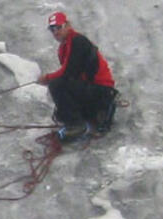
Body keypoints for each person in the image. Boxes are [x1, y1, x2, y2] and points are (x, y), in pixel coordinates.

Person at [37, 12, 118, 141]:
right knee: (61, 102)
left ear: (68, 25)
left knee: (57, 84)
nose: (56, 32)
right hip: (93, 89)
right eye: (53, 29)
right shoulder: (65, 47)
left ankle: (76, 125)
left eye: (59, 27)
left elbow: (69, 72)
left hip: (101, 90)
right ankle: (85, 117)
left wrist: (48, 78)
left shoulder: (78, 41)